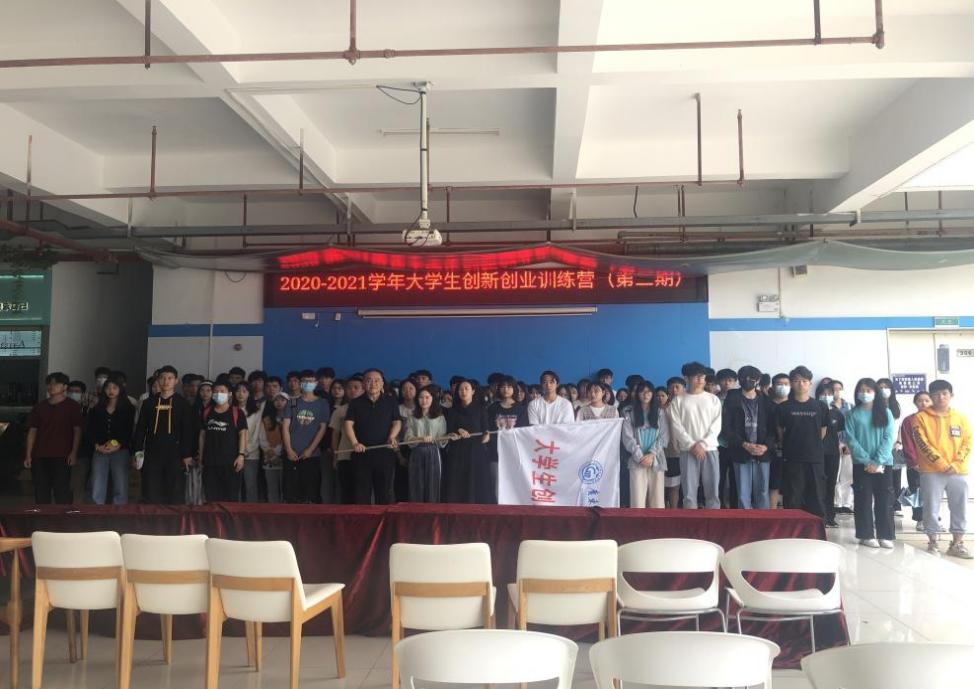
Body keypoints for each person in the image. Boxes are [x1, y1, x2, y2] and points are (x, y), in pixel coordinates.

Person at [913, 379, 973, 558]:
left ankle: (957, 544)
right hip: (931, 471)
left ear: (951, 395)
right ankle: (932, 542)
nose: (941, 397)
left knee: (960, 506)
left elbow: (968, 441)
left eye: (944, 393)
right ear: (931, 396)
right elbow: (922, 443)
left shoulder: (960, 418)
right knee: (931, 507)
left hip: (957, 470)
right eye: (936, 394)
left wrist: (956, 463)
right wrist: (941, 463)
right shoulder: (920, 418)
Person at [845, 378, 896, 548]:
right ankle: (865, 534)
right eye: (862, 390)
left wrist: (878, 461)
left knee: (884, 499)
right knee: (863, 499)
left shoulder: (886, 412)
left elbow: (888, 438)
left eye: (869, 390)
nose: (865, 393)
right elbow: (851, 440)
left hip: (884, 463)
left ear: (875, 393)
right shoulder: (852, 414)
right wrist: (868, 461)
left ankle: (885, 535)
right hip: (862, 464)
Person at [133, 365, 195, 504]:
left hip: (175, 453)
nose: (166, 381)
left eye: (170, 378)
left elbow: (187, 431)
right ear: (158, 380)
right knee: (151, 489)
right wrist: (137, 451)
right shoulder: (148, 403)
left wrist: (186, 454)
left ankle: (173, 517)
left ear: (176, 381)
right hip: (152, 452)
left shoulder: (182, 403)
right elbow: (141, 428)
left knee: (174, 490)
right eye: (162, 378)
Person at [774, 366, 828, 518]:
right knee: (792, 498)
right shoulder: (783, 407)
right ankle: (792, 530)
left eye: (804, 381)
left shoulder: (820, 406)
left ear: (810, 383)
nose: (801, 384)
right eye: (796, 381)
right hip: (792, 458)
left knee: (817, 497)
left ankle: (817, 529)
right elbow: (780, 432)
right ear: (791, 383)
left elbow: (823, 431)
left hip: (815, 458)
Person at [667, 362, 723, 509]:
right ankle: (690, 522)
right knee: (689, 493)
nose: (700, 380)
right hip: (688, 450)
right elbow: (676, 427)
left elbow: (716, 426)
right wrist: (692, 445)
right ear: (686, 378)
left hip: (709, 449)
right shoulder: (678, 401)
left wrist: (703, 444)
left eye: (702, 377)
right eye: (696, 377)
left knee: (713, 492)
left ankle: (713, 520)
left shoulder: (713, 399)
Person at [721, 365, 777, 509]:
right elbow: (727, 428)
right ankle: (745, 521)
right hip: (740, 451)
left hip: (762, 452)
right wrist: (744, 444)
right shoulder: (731, 399)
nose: (747, 380)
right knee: (742, 494)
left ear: (758, 380)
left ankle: (762, 520)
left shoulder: (767, 401)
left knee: (762, 492)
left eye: (752, 378)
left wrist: (766, 446)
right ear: (739, 380)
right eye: (744, 377)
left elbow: (773, 429)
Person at [24, 372, 82, 504]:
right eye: (49, 384)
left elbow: (77, 430)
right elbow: (32, 431)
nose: (51, 386)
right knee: (41, 490)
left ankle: (62, 516)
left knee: (62, 490)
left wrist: (74, 452)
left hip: (62, 455)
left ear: (64, 387)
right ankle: (43, 516)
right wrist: (28, 455)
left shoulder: (72, 406)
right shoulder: (40, 407)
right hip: (40, 455)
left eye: (55, 383)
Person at [345, 368, 401, 505]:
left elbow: (397, 422)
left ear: (382, 384)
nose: (373, 383)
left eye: (377, 380)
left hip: (385, 453)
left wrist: (392, 437)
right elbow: (348, 424)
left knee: (384, 493)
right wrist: (355, 443)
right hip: (361, 454)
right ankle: (363, 519)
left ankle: (384, 519)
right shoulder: (355, 403)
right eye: (369, 380)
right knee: (361, 494)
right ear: (364, 384)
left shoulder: (391, 401)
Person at [86, 374, 136, 505]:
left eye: (114, 388)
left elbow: (129, 430)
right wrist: (97, 445)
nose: (111, 391)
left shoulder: (128, 408)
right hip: (100, 450)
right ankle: (97, 513)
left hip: (120, 451)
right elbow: (90, 430)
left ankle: (119, 513)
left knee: (120, 484)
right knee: (97, 484)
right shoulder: (97, 408)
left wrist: (118, 444)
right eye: (108, 388)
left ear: (120, 389)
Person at [282, 370, 330, 503]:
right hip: (292, 454)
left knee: (311, 491)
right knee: (291, 492)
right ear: (300, 383)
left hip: (312, 455)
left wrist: (310, 450)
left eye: (310, 381)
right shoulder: (292, 403)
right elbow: (285, 427)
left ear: (316, 383)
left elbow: (322, 428)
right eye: (304, 381)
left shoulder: (322, 403)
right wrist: (289, 450)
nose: (307, 384)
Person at [621, 381, 670, 508]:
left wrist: (652, 454)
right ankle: (637, 522)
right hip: (637, 460)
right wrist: (640, 456)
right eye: (642, 391)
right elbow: (627, 438)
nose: (645, 394)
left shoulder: (660, 413)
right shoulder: (629, 413)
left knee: (657, 501)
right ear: (637, 394)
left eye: (648, 392)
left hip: (656, 459)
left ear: (652, 394)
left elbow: (664, 436)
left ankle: (656, 522)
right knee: (637, 500)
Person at [443, 379, 492, 503]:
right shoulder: (452, 411)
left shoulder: (481, 409)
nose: (463, 392)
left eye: (466, 389)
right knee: (458, 483)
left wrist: (486, 436)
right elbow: (449, 431)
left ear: (473, 391)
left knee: (477, 482)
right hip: (457, 452)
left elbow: (486, 430)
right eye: (460, 389)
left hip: (476, 451)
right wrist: (457, 431)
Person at [199, 382, 248, 502]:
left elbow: (243, 434)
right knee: (211, 498)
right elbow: (202, 435)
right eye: (216, 391)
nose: (218, 394)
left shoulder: (237, 412)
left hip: (230, 463)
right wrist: (201, 457)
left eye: (222, 391)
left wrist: (241, 455)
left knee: (230, 498)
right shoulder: (207, 412)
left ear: (229, 394)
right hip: (210, 462)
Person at [404, 386, 449, 502]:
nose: (424, 400)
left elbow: (441, 440)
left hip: (433, 452)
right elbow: (408, 439)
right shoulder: (412, 417)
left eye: (427, 397)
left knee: (433, 485)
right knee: (416, 485)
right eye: (421, 397)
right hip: (416, 453)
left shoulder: (440, 417)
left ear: (432, 399)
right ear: (417, 399)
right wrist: (421, 438)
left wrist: (448, 437)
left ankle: (432, 511)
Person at [486, 376, 529, 490]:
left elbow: (523, 432)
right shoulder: (492, 408)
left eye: (509, 386)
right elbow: (488, 428)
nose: (506, 389)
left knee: (514, 486)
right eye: (503, 386)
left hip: (514, 452)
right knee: (497, 485)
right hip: (495, 453)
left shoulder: (521, 409)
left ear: (514, 389)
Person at [900, 391, 932, 531]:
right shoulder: (909, 420)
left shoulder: (937, 420)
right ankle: (920, 519)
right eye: (920, 400)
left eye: (927, 400)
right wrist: (914, 462)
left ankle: (933, 519)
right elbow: (907, 443)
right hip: (916, 465)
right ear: (915, 403)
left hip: (934, 465)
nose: (923, 403)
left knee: (934, 492)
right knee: (917, 491)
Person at [329, 375, 363, 503]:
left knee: (362, 491)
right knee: (346, 491)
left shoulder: (371, 410)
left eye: (356, 387)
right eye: (349, 388)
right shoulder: (339, 411)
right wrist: (335, 456)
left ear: (363, 389)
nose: (352, 390)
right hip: (344, 455)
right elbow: (335, 435)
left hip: (365, 455)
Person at [817, 381, 845, 527]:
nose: (826, 396)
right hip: (816, 453)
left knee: (831, 484)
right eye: (823, 394)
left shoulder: (837, 413)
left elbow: (840, 432)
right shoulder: (814, 410)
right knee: (818, 485)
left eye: (829, 394)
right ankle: (819, 516)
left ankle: (830, 516)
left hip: (833, 453)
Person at [876, 377, 904, 515]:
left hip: (894, 447)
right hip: (879, 447)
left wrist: (899, 442)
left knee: (896, 478)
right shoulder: (874, 407)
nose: (883, 390)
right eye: (880, 387)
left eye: (886, 387)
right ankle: (884, 505)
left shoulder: (896, 407)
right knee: (882, 478)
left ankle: (896, 505)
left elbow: (900, 427)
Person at [236, 382, 264, 502]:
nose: (240, 394)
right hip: (234, 454)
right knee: (235, 486)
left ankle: (251, 511)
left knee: (251, 486)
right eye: (238, 391)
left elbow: (257, 432)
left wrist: (247, 450)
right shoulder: (230, 410)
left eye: (244, 391)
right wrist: (239, 452)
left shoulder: (256, 411)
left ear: (249, 394)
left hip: (251, 453)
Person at [259, 392, 289, 503]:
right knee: (272, 489)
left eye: (283, 400)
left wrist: (279, 452)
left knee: (286, 489)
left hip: (286, 457)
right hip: (270, 458)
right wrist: (271, 453)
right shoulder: (266, 419)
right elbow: (262, 438)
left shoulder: (292, 418)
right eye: (276, 400)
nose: (279, 402)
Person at [832, 379, 855, 515]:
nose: (837, 391)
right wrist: (837, 444)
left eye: (839, 389)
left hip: (848, 446)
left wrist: (849, 445)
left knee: (848, 476)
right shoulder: (826, 406)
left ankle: (847, 503)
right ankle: (836, 503)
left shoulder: (850, 407)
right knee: (834, 475)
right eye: (834, 389)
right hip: (833, 446)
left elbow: (854, 428)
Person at [768, 373, 791, 509]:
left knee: (791, 485)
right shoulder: (766, 405)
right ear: (773, 386)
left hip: (793, 450)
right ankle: (772, 513)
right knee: (774, 484)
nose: (783, 387)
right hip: (772, 450)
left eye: (786, 384)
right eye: (779, 384)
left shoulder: (794, 405)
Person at [663, 376, 686, 508]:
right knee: (672, 486)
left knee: (689, 485)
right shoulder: (664, 409)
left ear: (684, 388)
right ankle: (673, 512)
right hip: (671, 453)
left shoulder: (691, 407)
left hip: (689, 451)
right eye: (671, 387)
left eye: (677, 387)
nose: (674, 390)